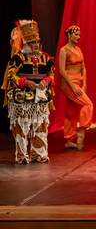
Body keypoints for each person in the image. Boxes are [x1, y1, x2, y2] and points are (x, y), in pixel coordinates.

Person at [2, 20, 55, 164]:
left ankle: (38, 153)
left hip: (40, 97)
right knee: (22, 125)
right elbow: (11, 75)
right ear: (26, 44)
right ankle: (22, 155)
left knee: (40, 125)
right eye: (32, 42)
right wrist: (25, 82)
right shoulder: (18, 57)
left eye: (37, 42)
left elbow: (52, 73)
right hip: (22, 98)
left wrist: (47, 80)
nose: (36, 45)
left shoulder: (45, 57)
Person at [58, 25, 94, 150]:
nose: (78, 37)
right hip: (69, 83)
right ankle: (81, 130)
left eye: (79, 34)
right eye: (76, 34)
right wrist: (72, 86)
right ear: (69, 35)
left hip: (78, 82)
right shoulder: (64, 50)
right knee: (88, 104)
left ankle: (69, 139)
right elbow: (62, 71)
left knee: (71, 111)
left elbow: (83, 67)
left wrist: (84, 84)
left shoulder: (78, 49)